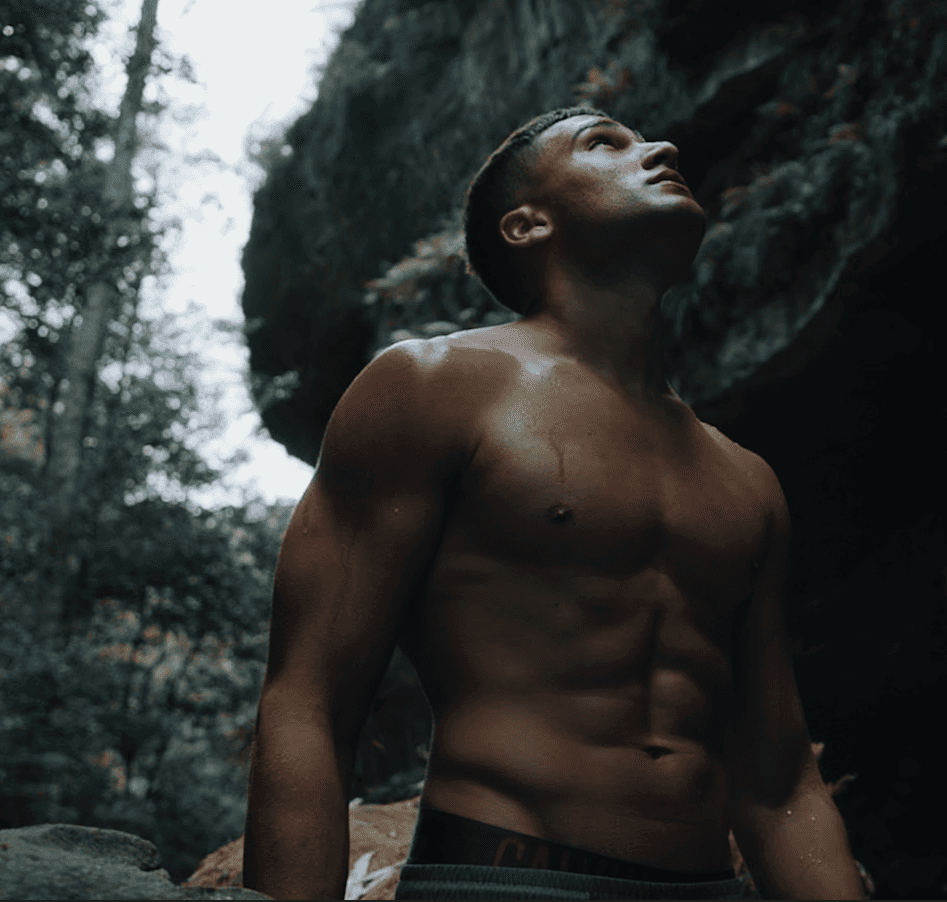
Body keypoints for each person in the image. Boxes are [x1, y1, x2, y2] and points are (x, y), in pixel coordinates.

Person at [242, 105, 867, 901]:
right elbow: (309, 698)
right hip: (504, 876)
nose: (662, 148)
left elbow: (780, 787)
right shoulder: (434, 387)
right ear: (527, 224)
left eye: (646, 140)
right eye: (605, 143)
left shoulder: (747, 479)